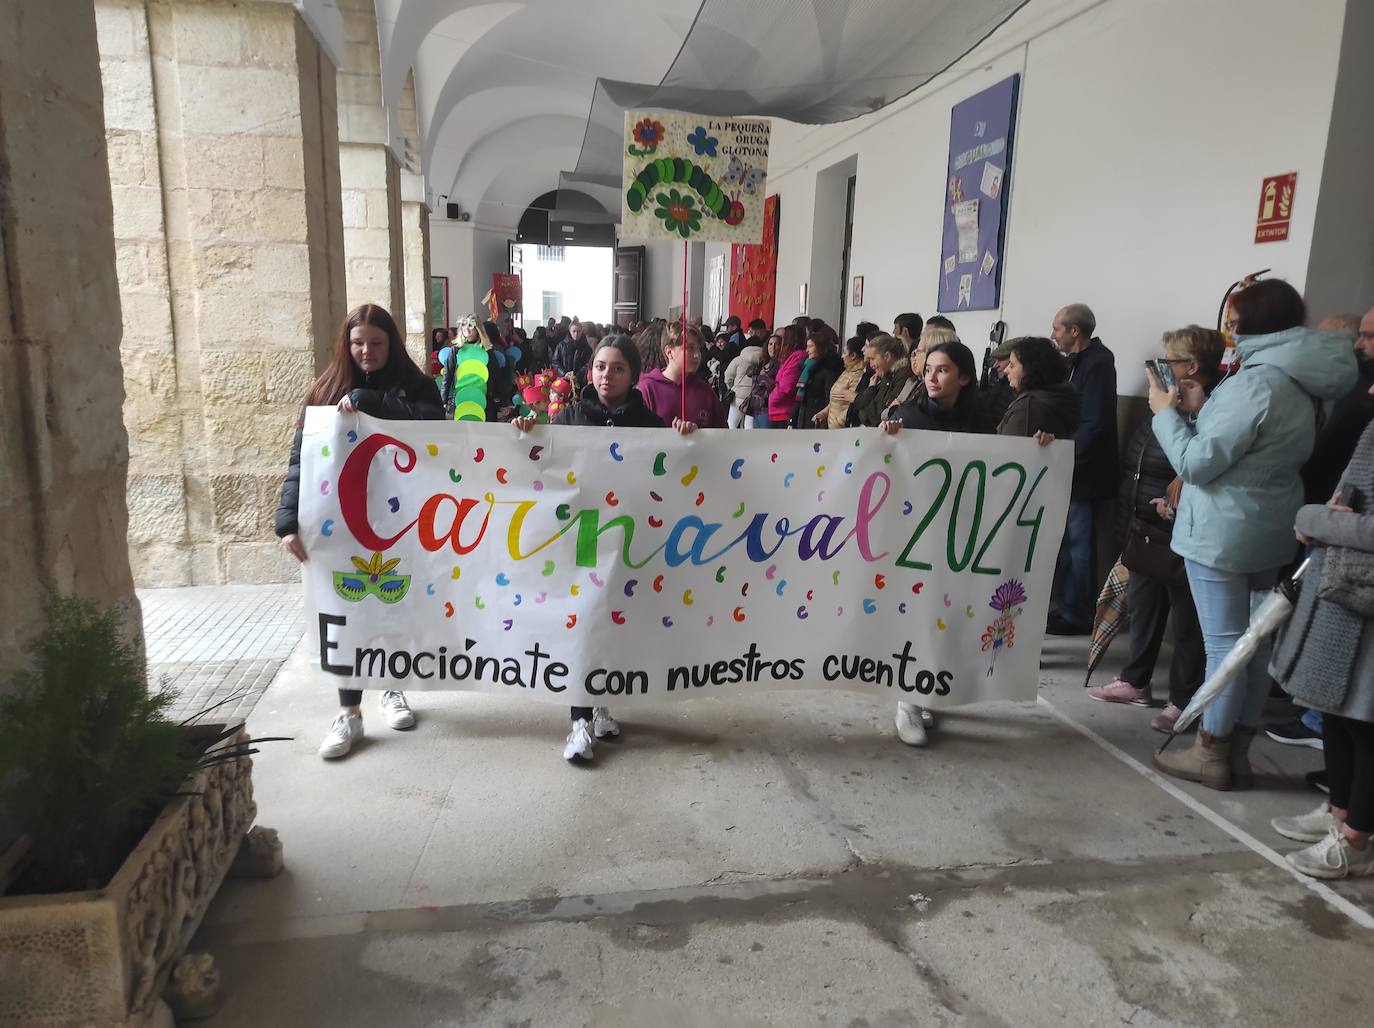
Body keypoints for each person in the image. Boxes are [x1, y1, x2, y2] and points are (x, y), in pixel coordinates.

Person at [1150, 280, 1356, 791]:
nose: (1230, 334)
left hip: (1223, 532)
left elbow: (1199, 465)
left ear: (1255, 327)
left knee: (1225, 646)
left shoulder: (1255, 382)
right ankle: (1236, 748)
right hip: (1270, 526)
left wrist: (1164, 418)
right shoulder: (1301, 380)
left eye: (1235, 324)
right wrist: (1201, 413)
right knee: (1257, 642)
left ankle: (1210, 753)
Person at [513, 337, 698, 763]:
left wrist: (682, 439)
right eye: (599, 366)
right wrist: (527, 435)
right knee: (582, 623)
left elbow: (673, 471)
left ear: (632, 374)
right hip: (582, 538)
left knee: (612, 622)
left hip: (628, 541)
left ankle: (598, 703)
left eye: (616, 368)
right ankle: (578, 721)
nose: (605, 375)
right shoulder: (572, 416)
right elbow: (542, 461)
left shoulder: (650, 424)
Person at [275, 304, 443, 760]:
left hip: (400, 521)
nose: (366, 351)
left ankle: (392, 686)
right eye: (358, 343)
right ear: (345, 346)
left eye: (376, 342)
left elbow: (433, 428)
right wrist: (287, 519)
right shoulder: (324, 391)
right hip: (338, 521)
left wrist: (374, 404)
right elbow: (300, 459)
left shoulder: (417, 388)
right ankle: (349, 712)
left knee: (393, 602)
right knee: (343, 614)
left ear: (391, 344)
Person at [1089, 327, 1223, 733]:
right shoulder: (1165, 401)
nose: (1159, 368)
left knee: (1187, 620)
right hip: (1144, 524)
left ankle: (1183, 698)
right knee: (1144, 605)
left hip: (1182, 528)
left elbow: (1197, 464)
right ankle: (1135, 680)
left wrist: (1177, 498)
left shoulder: (1212, 410)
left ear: (1192, 367)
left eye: (1169, 361)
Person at [1267, 413, 1374, 878]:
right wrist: (1329, 515)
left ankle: (1356, 841)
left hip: (1362, 592)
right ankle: (1339, 811)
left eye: (1370, 337)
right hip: (1347, 593)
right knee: (1335, 710)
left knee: (1367, 724)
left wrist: (1316, 518)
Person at [879, 339, 986, 745]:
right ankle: (907, 702)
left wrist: (1039, 445)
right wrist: (887, 437)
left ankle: (928, 692)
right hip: (913, 535)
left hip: (959, 536)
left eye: (942, 369)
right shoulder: (909, 416)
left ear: (964, 377)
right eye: (929, 369)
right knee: (916, 612)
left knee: (948, 614)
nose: (932, 376)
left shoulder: (981, 419)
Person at [1046, 303, 1118, 635]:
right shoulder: (1072, 364)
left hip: (1084, 469)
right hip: (1070, 463)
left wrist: (1068, 458)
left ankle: (1076, 612)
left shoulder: (1099, 364)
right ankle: (1064, 605)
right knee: (1066, 544)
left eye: (1057, 328)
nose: (1054, 335)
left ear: (1075, 331)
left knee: (1079, 543)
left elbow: (1095, 422)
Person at [636, 321, 727, 428]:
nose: (697, 355)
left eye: (698, 348)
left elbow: (722, 434)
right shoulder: (647, 390)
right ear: (669, 352)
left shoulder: (706, 391)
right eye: (689, 348)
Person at [994, 336, 1081, 439]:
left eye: (1012, 365)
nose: (1006, 370)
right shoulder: (1061, 396)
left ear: (1030, 370)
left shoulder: (1027, 408)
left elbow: (1009, 450)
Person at [853, 333, 914, 427]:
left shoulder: (903, 376)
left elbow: (880, 417)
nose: (871, 365)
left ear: (887, 356)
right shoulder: (886, 376)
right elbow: (864, 413)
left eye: (872, 359)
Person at [792, 326, 843, 429]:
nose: (807, 350)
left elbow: (829, 398)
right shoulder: (806, 367)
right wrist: (792, 420)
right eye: (806, 346)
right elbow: (799, 397)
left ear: (820, 347)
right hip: (803, 417)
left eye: (810, 346)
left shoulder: (830, 368)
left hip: (818, 418)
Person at [818, 334, 866, 429]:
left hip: (841, 430)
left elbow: (851, 406)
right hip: (832, 427)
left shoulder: (858, 375)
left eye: (844, 353)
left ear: (853, 355)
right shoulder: (847, 372)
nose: (842, 356)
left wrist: (837, 423)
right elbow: (835, 400)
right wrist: (823, 414)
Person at [766, 323, 808, 428]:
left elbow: (787, 386)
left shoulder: (797, 358)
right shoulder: (789, 357)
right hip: (779, 409)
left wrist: (772, 397)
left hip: (784, 410)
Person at [724, 328, 765, 428]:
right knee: (749, 426)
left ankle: (731, 443)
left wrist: (732, 387)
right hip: (755, 397)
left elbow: (728, 376)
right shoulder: (765, 360)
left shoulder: (738, 359)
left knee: (732, 424)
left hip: (738, 395)